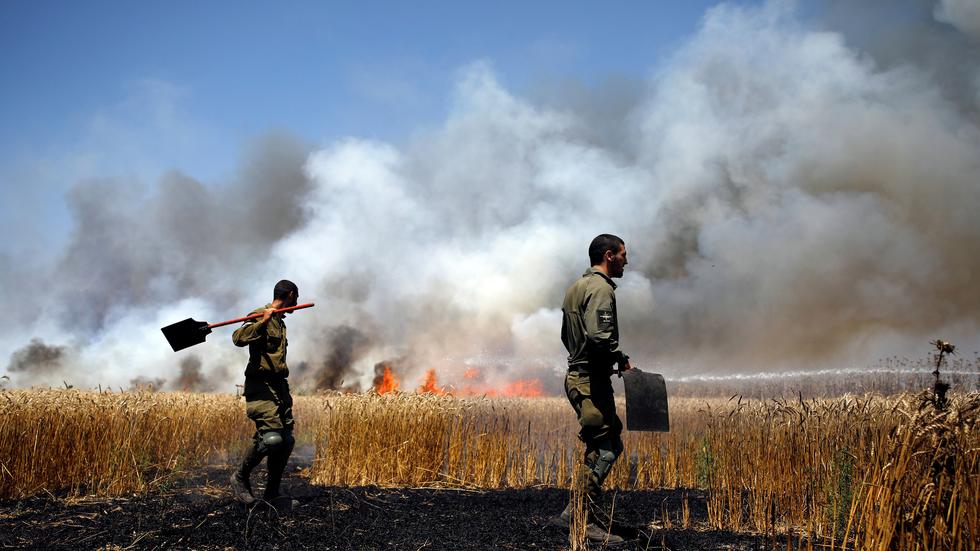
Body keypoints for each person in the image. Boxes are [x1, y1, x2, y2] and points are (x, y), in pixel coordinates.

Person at [554, 234, 632, 543]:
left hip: (580, 376)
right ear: (609, 256)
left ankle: (572, 513)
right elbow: (601, 336)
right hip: (591, 381)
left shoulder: (576, 288)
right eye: (623, 255)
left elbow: (566, 335)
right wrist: (620, 359)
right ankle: (580, 520)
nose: (627, 260)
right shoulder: (600, 289)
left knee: (600, 443)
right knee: (607, 447)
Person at [229, 279, 300, 507]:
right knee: (271, 438)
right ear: (290, 294)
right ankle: (239, 477)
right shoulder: (261, 314)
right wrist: (262, 322)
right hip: (261, 386)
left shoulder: (280, 322)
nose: (297, 301)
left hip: (279, 386)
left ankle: (272, 493)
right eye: (295, 297)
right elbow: (237, 338)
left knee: (286, 440)